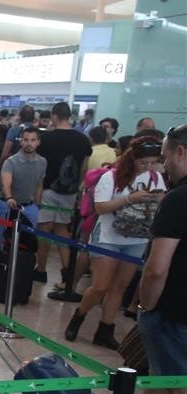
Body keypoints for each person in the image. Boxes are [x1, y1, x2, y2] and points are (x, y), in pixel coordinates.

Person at [125, 124, 187, 394]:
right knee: (162, 374)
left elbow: (157, 267)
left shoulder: (178, 200)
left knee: (177, 383)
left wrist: (145, 306)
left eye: (165, 157)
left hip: (174, 307)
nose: (164, 166)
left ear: (180, 152)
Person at [64, 140, 164, 348]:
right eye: (143, 162)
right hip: (108, 236)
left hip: (137, 237)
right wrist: (131, 199)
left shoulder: (155, 178)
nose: (148, 167)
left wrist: (155, 199)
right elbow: (100, 208)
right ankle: (79, 316)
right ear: (133, 159)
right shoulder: (110, 177)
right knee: (100, 286)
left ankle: (105, 329)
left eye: (152, 163)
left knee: (120, 286)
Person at [35, 101, 92, 284]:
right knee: (62, 229)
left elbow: (40, 166)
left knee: (44, 229)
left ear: (54, 116)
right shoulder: (83, 139)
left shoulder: (47, 139)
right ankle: (67, 269)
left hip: (49, 188)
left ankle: (41, 269)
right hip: (70, 191)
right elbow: (84, 167)